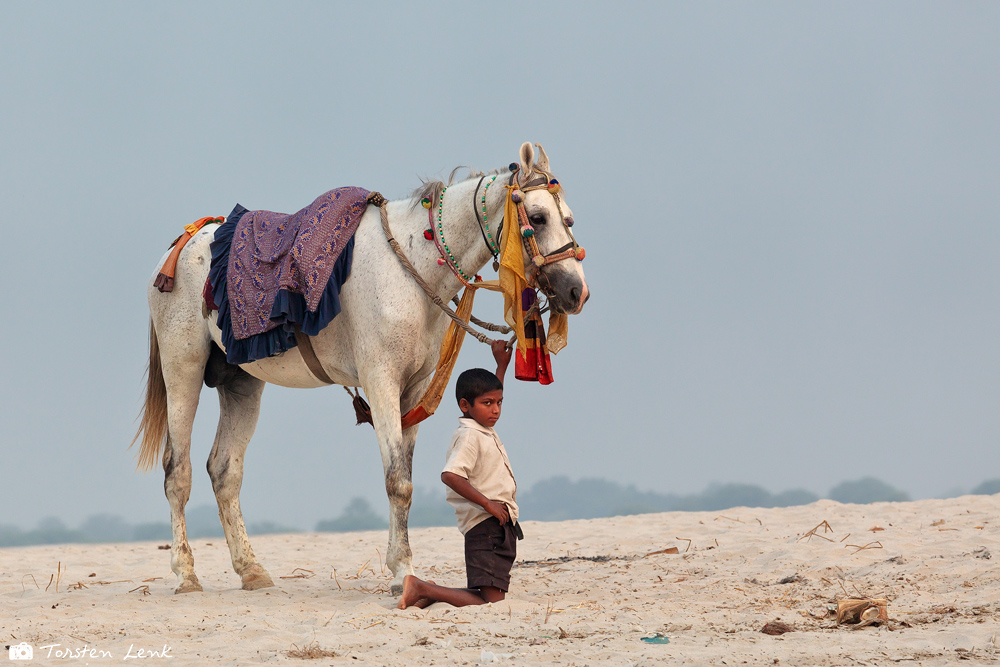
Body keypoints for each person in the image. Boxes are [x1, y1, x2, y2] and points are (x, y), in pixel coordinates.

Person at [398, 340, 522, 609]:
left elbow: (491, 391)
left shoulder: (482, 427)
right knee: (489, 602)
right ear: (465, 405)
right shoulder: (468, 436)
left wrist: (501, 366)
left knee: (490, 597)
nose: (496, 410)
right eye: (488, 403)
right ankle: (421, 587)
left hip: (499, 525)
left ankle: (429, 593)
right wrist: (488, 504)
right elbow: (451, 476)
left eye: (499, 402)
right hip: (485, 524)